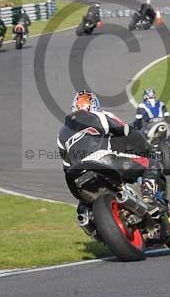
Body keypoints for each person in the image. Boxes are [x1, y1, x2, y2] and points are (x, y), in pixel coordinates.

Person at [58, 90, 161, 222]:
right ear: (94, 105)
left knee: (83, 209)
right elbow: (129, 132)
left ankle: (89, 222)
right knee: (151, 164)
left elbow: (66, 165)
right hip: (103, 161)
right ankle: (148, 201)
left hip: (75, 175)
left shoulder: (62, 132)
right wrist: (148, 149)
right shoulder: (101, 115)